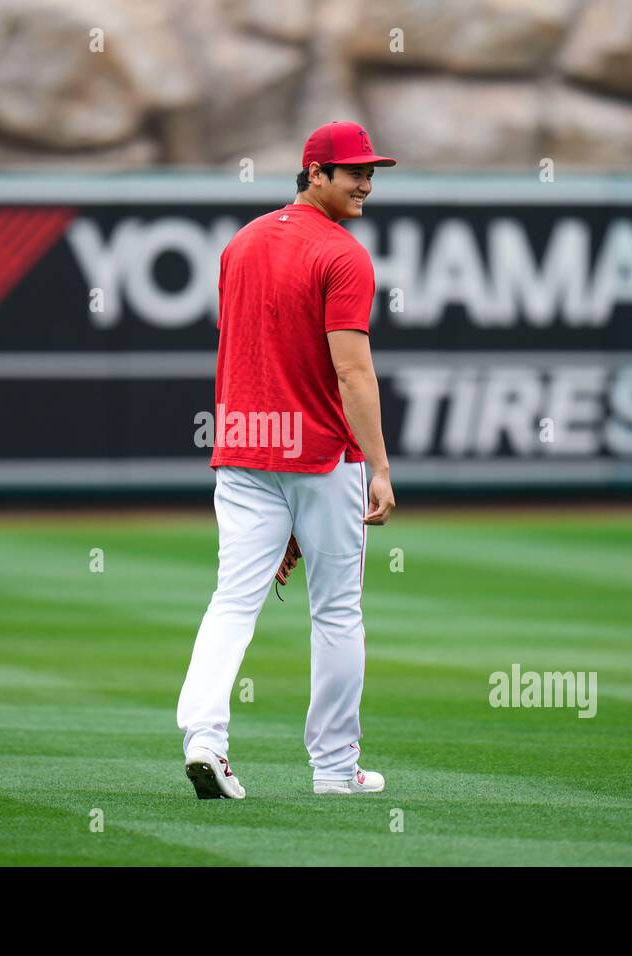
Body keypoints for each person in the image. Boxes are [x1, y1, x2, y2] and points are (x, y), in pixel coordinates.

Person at [177, 121, 396, 799]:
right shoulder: (344, 254)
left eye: (370, 172)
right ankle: (334, 770)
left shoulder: (240, 244)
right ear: (314, 173)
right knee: (335, 613)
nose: (365, 183)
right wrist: (381, 469)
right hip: (325, 455)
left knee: (233, 601)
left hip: (244, 447)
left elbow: (252, 347)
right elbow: (352, 371)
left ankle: (205, 738)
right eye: (351, 171)